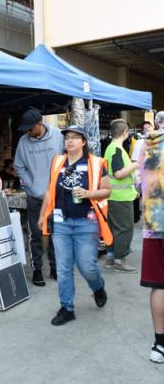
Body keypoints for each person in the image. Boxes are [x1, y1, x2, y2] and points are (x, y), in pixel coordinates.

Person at [39, 126, 112, 326]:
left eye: (74, 138)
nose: (69, 141)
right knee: (63, 268)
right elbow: (49, 190)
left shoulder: (96, 163)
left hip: (86, 223)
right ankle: (67, 308)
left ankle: (98, 287)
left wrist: (88, 193)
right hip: (61, 223)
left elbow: (107, 191)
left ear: (84, 142)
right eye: (67, 138)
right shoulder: (57, 162)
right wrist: (42, 214)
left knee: (87, 265)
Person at [14, 109, 63, 286]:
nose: (28, 132)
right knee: (36, 233)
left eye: (30, 128)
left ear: (39, 123)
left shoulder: (58, 136)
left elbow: (67, 161)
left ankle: (55, 268)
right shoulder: (23, 142)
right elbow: (18, 167)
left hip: (57, 196)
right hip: (34, 196)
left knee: (56, 233)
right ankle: (37, 270)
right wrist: (31, 184)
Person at [138, 119, 164, 363]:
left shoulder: (147, 144)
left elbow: (139, 181)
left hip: (154, 224)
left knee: (159, 285)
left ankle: (160, 345)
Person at [104, 119, 140, 272]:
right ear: (125, 131)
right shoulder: (116, 149)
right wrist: (134, 165)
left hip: (115, 196)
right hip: (120, 197)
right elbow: (118, 174)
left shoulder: (111, 148)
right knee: (124, 229)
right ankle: (120, 262)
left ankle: (111, 259)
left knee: (114, 229)